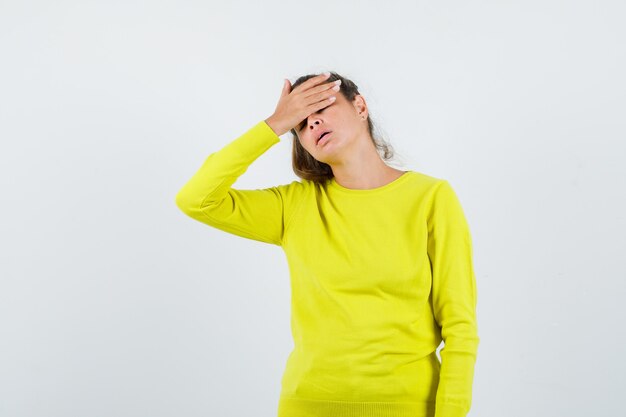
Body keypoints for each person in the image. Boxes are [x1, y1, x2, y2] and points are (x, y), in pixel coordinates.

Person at [175, 71, 480, 417]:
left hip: (407, 406)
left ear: (360, 106)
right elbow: (195, 199)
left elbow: (460, 325)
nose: (313, 121)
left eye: (322, 104)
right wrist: (275, 124)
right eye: (301, 123)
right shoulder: (294, 206)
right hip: (307, 405)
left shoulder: (431, 198)